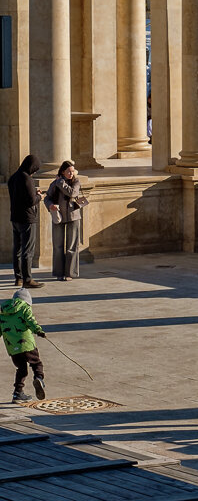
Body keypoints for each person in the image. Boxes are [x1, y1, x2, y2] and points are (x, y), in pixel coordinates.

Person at [0, 288, 45, 403]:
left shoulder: (2, 311)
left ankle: (17, 393)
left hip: (12, 348)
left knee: (21, 369)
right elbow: (31, 321)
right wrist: (39, 331)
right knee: (36, 363)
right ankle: (38, 378)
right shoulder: (25, 308)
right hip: (26, 344)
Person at [6, 156, 43, 289]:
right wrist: (40, 196)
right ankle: (28, 279)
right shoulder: (27, 178)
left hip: (15, 217)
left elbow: (19, 196)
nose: (34, 172)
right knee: (28, 250)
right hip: (27, 219)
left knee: (17, 249)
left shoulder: (14, 177)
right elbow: (31, 201)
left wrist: (33, 193)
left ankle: (18, 278)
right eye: (35, 169)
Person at [46, 161, 84, 281]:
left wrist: (60, 182)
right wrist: (50, 205)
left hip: (74, 217)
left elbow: (72, 193)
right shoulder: (54, 183)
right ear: (63, 172)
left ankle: (70, 273)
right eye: (68, 171)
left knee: (72, 246)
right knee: (58, 246)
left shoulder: (75, 182)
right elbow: (47, 197)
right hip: (58, 217)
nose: (71, 174)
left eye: (72, 171)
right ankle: (59, 273)